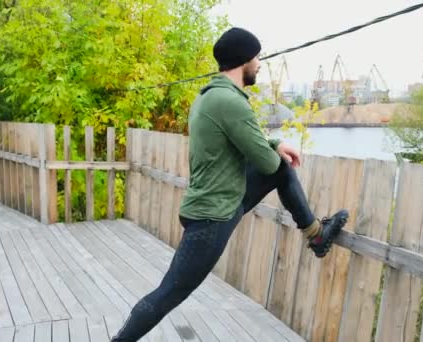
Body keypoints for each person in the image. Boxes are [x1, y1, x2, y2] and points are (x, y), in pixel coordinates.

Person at [111, 27, 349, 341]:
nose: (260, 63)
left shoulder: (213, 96)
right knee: (169, 293)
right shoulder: (230, 102)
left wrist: (274, 143)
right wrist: (273, 149)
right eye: (257, 57)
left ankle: (316, 236)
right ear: (243, 60)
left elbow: (248, 141)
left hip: (224, 200)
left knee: (282, 170)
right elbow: (264, 160)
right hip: (212, 217)